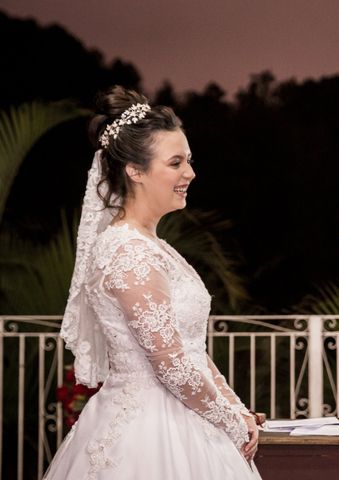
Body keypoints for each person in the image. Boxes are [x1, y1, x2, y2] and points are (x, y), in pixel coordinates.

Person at [46, 86, 261, 479]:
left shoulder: (154, 246)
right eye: (176, 162)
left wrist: (237, 408)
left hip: (189, 419)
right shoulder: (128, 252)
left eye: (190, 161)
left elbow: (190, 348)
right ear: (135, 170)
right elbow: (171, 365)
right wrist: (229, 423)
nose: (190, 173)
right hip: (149, 435)